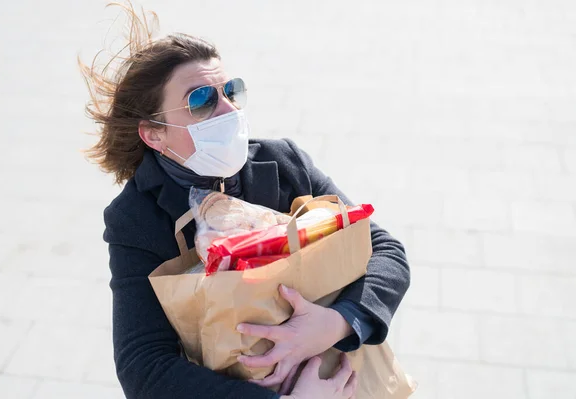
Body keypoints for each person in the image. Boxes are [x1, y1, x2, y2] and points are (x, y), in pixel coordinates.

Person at [80, 4, 410, 399]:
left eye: (231, 91)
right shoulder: (135, 219)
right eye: (201, 101)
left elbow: (386, 251)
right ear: (154, 135)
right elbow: (144, 368)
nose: (228, 110)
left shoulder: (283, 162)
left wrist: (336, 323)